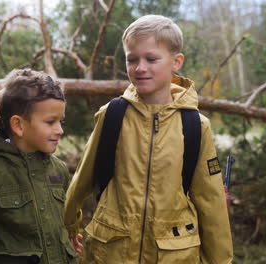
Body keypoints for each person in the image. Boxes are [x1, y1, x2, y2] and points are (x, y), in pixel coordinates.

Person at [64, 15, 233, 263]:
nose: (140, 67)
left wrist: (220, 260)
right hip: (110, 252)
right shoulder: (112, 115)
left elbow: (212, 202)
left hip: (173, 255)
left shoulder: (196, 126)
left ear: (176, 61)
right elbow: (82, 178)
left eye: (151, 59)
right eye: (132, 59)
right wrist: (68, 225)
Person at [0, 69, 82, 264]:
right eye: (50, 122)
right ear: (19, 125)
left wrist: (68, 239)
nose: (60, 130)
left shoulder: (59, 170)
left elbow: (63, 224)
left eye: (61, 121)